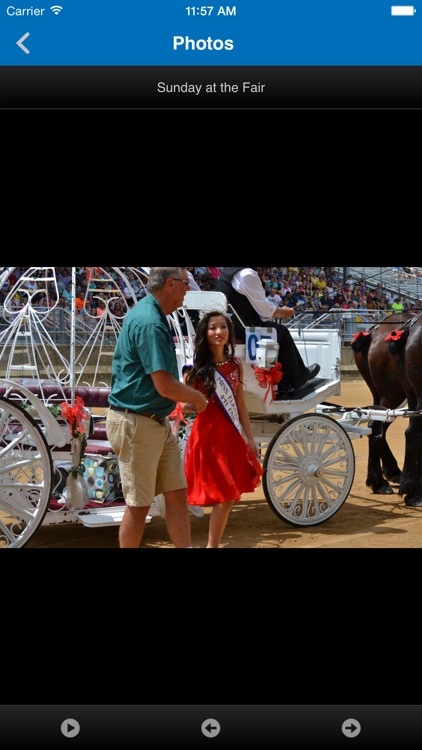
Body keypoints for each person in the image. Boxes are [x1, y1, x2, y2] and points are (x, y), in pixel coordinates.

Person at [105, 267, 208, 549]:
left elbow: (161, 385)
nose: (188, 290)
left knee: (176, 492)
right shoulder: (151, 321)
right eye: (186, 284)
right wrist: (197, 398)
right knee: (139, 505)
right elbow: (164, 384)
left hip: (149, 421)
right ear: (171, 284)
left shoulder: (149, 314)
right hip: (138, 423)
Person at [183, 305, 264, 548]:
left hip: (230, 437)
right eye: (213, 327)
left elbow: (240, 405)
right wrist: (190, 404)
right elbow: (183, 405)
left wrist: (250, 439)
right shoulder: (193, 368)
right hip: (207, 438)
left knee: (227, 497)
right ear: (204, 333)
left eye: (223, 327)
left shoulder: (235, 365)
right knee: (224, 495)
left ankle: (212, 546)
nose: (219, 331)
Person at [216, 267, 321, 397]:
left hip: (233, 325)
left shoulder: (228, 271)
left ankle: (285, 382)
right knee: (282, 333)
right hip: (245, 327)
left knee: (276, 330)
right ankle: (297, 379)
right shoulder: (247, 275)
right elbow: (265, 311)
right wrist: (282, 312)